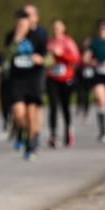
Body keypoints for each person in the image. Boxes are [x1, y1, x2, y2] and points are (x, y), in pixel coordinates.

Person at [2, 9, 46, 160]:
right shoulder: (11, 36)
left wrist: (40, 59)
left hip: (33, 79)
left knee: (31, 114)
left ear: (30, 22)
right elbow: (6, 58)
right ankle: (21, 130)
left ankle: (31, 144)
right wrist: (16, 39)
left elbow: (49, 57)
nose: (21, 25)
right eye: (19, 23)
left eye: (24, 22)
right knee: (19, 114)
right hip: (17, 80)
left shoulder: (38, 36)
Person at [45, 18, 81, 148]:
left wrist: (62, 54)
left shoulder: (68, 42)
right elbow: (45, 61)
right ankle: (53, 135)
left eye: (59, 27)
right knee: (53, 106)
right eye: (54, 27)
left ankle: (68, 132)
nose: (56, 30)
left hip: (66, 79)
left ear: (63, 28)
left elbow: (76, 59)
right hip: (52, 79)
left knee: (65, 107)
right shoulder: (49, 43)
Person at [83, 19, 105, 142]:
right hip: (99, 74)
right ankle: (103, 131)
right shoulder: (94, 42)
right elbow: (86, 58)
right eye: (100, 29)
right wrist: (93, 62)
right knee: (102, 101)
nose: (102, 31)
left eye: (104, 28)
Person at [75, 36, 93, 123]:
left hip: (89, 74)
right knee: (80, 91)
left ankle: (86, 110)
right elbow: (77, 61)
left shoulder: (92, 51)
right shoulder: (80, 50)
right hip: (80, 73)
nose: (86, 44)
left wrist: (89, 61)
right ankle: (79, 106)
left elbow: (94, 62)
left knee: (87, 93)